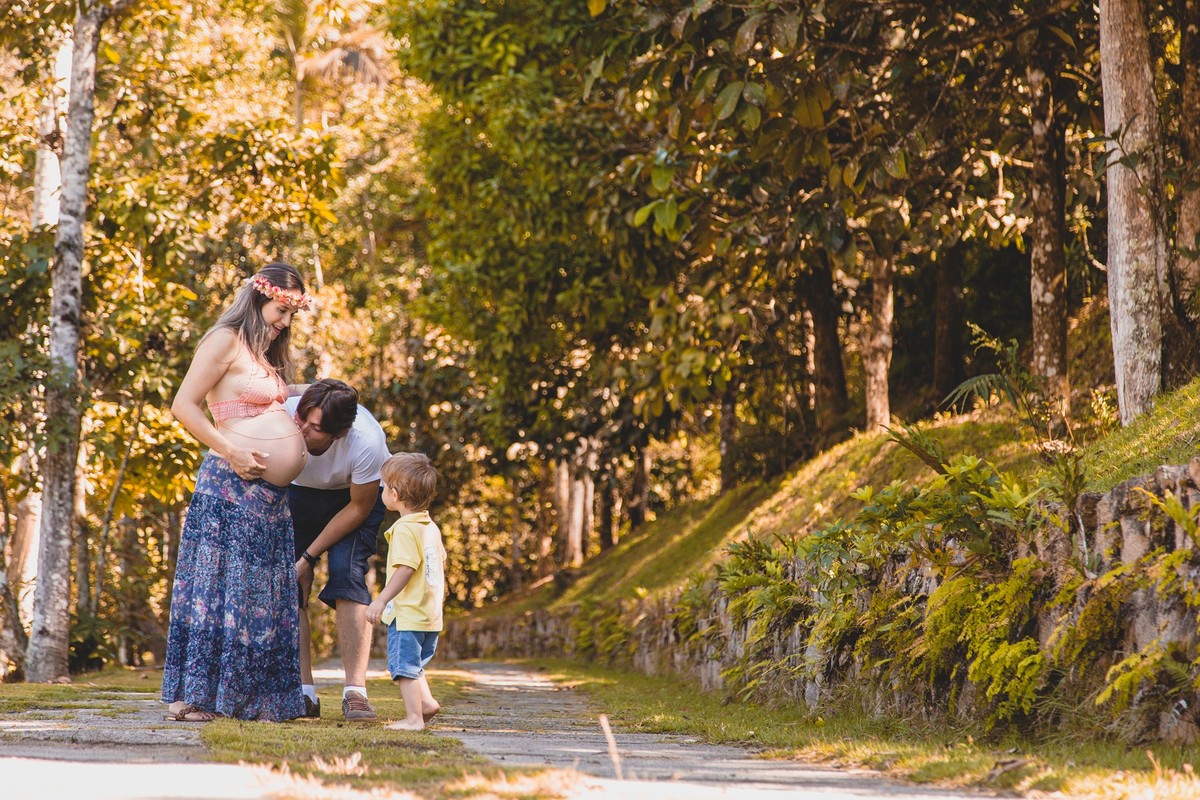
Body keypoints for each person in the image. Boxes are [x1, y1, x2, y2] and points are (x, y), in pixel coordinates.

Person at [161, 262, 311, 722]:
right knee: (217, 588)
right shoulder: (224, 339)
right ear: (259, 296)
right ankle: (192, 699)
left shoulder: (265, 353)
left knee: (260, 593)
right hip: (230, 485)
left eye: (292, 313)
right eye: (281, 310)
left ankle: (253, 699)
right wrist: (232, 452)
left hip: (269, 500)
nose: (285, 322)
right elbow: (183, 405)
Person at [285, 379, 389, 721]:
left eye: (314, 429)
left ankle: (355, 692)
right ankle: (302, 693)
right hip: (297, 492)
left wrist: (309, 557)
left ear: (339, 433)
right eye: (303, 419)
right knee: (291, 584)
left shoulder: (365, 442)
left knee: (347, 573)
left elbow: (359, 508)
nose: (302, 430)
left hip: (353, 497)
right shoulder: (290, 415)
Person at [366, 452, 446, 731]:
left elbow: (405, 569)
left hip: (408, 614)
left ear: (395, 494)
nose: (381, 490)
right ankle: (426, 703)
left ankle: (414, 719)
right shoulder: (430, 528)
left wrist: (382, 600)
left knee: (403, 668)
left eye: (384, 486)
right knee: (416, 664)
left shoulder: (404, 530)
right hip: (429, 615)